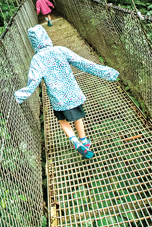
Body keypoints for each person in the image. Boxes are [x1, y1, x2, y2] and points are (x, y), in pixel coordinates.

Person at [15, 25, 119, 159]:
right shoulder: (60, 50)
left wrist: (18, 97)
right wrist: (107, 73)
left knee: (63, 121)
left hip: (57, 98)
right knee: (78, 117)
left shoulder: (37, 60)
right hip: (72, 94)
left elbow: (33, 82)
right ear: (46, 37)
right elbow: (83, 63)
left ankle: (74, 140)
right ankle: (84, 141)